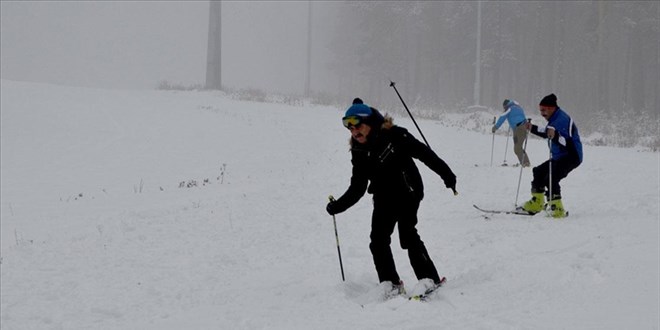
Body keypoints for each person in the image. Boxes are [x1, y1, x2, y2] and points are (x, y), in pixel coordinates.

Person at [326, 98, 456, 297]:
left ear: (369, 122)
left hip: (408, 190)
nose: (354, 132)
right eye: (349, 129)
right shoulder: (359, 150)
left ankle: (429, 279)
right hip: (383, 195)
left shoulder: (395, 135)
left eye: (357, 127)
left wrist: (447, 175)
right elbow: (358, 186)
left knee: (407, 234)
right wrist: (339, 205)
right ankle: (391, 283)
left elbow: (425, 154)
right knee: (377, 240)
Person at [520, 93, 582, 218]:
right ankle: (537, 203)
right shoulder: (554, 118)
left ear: (551, 108)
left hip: (572, 156)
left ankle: (557, 208)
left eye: (544, 110)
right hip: (559, 157)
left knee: (551, 177)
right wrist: (532, 128)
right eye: (540, 110)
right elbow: (547, 133)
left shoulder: (561, 120)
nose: (542, 113)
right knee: (539, 172)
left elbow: (566, 143)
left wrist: (556, 136)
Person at [492, 99, 531, 167]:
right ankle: (525, 162)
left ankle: (525, 163)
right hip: (523, 128)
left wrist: (495, 127)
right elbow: (521, 117)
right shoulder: (519, 108)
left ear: (505, 105)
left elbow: (502, 118)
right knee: (518, 147)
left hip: (519, 129)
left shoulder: (508, 109)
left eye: (504, 107)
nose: (504, 108)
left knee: (517, 148)